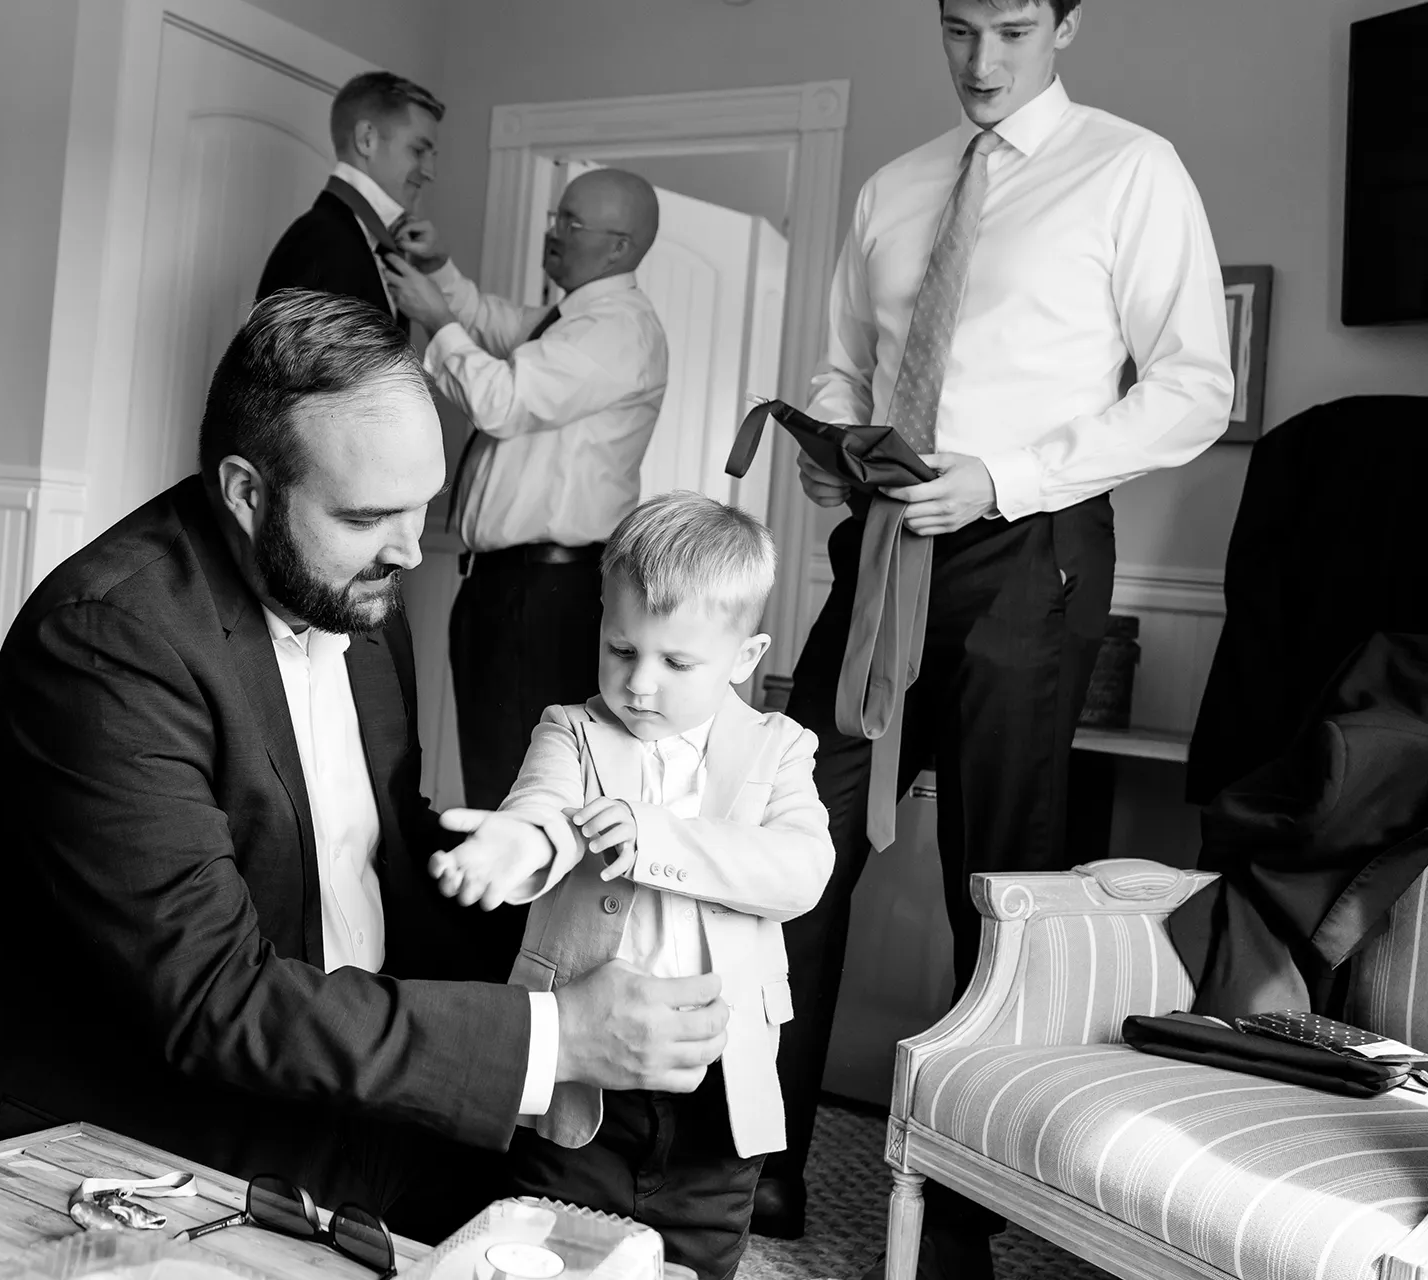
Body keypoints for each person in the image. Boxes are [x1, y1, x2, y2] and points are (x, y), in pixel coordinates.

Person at [0, 292, 732, 1241]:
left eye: (423, 507)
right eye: (369, 516)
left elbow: (373, 852)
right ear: (247, 492)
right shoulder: (108, 642)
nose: (411, 550)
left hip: (340, 1096)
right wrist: (556, 1036)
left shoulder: (354, 593)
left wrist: (592, 924)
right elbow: (212, 997)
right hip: (126, 1136)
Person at [756, 2, 1235, 1276]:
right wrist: (833, 446)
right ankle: (763, 1159)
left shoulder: (1130, 169)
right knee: (791, 835)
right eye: (959, 27)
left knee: (999, 877)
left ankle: (962, 1211)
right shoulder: (894, 186)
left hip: (1031, 549)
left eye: (1014, 27)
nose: (982, 60)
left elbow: (1195, 387)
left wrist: (1004, 477)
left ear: (1069, 23)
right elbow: (847, 367)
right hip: (882, 550)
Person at [431, 492, 835, 1280]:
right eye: (621, 649)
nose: (640, 684)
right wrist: (515, 845)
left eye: (676, 663)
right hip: (583, 1081)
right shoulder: (571, 730)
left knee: (694, 1262)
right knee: (542, 1252)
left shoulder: (780, 748)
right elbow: (545, 810)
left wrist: (654, 835)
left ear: (744, 657)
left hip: (716, 1092)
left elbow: (800, 869)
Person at [385, 168, 668, 833]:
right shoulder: (572, 318)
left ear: (620, 246)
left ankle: (509, 900)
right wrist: (441, 272)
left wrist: (435, 318)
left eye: (572, 223)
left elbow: (503, 400)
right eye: (555, 217)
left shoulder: (617, 330)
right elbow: (497, 326)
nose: (553, 233)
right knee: (498, 767)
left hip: (544, 595)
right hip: (516, 589)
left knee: (515, 784)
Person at [257, 72, 443, 323]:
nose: (430, 173)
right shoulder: (320, 246)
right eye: (419, 151)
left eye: (432, 156)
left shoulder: (366, 242)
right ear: (366, 140)